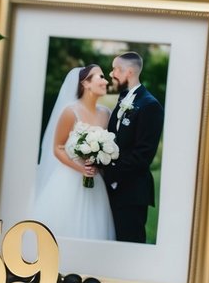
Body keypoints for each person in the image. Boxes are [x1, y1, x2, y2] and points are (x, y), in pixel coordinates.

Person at [33, 64, 116, 241]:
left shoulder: (106, 113)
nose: (105, 81)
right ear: (85, 83)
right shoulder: (71, 111)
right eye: (100, 77)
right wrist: (81, 169)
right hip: (68, 179)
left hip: (95, 183)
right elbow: (57, 148)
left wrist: (99, 161)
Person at [96, 51, 164, 244]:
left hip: (132, 193)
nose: (111, 74)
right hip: (113, 189)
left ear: (130, 72)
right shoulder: (124, 98)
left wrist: (108, 171)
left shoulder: (150, 106)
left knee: (129, 244)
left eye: (116, 69)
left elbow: (142, 156)